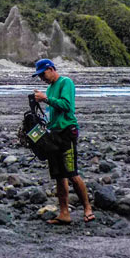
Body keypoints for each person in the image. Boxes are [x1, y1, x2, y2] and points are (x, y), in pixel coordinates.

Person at [32, 58, 95, 224]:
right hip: (54, 133)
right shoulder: (50, 88)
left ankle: (87, 208)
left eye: (43, 74)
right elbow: (50, 113)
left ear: (51, 69)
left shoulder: (65, 82)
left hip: (67, 132)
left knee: (72, 173)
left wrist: (45, 99)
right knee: (59, 176)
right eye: (39, 76)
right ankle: (64, 213)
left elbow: (67, 105)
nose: (42, 78)